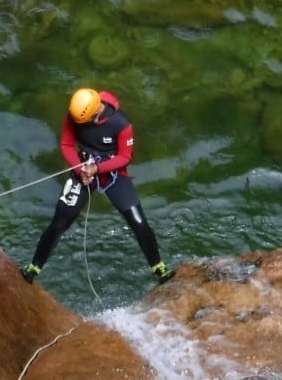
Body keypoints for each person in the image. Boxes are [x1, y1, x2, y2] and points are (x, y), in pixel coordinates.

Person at [21, 88, 175, 285]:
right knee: (60, 221)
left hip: (112, 173)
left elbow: (124, 157)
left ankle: (159, 269)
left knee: (138, 222)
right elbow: (66, 144)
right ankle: (34, 267)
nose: (78, 125)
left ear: (95, 113)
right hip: (84, 169)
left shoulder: (121, 123)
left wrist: (97, 168)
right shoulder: (74, 114)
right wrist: (80, 170)